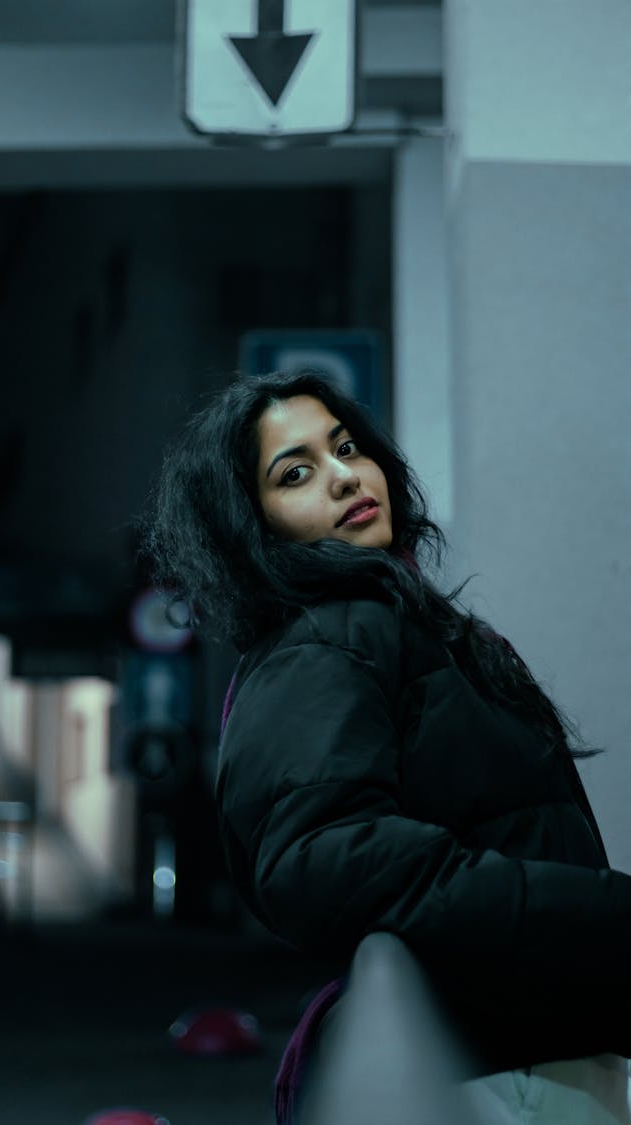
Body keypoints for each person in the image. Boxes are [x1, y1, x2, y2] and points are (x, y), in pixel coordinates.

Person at [146, 369, 631, 1124]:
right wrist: (604, 913)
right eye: (296, 472)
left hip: (538, 1053)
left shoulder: (399, 623)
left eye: (346, 447)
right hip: (495, 1075)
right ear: (251, 522)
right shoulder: (326, 637)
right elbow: (325, 854)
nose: (343, 477)